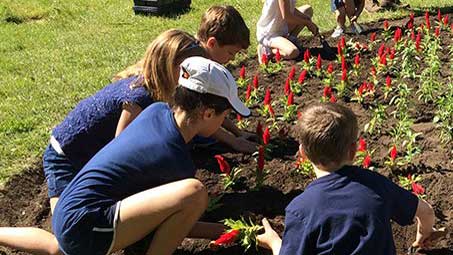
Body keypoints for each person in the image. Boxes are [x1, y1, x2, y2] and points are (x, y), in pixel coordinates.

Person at [41, 29, 205, 214]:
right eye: (190, 70)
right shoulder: (139, 99)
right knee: (64, 230)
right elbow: (122, 149)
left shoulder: (158, 86)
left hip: (93, 152)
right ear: (170, 66)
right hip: (66, 157)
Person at [257, 103, 439, 254]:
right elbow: (426, 212)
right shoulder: (376, 185)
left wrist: (274, 243)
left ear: (302, 153)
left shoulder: (301, 210)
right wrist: (424, 234)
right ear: (354, 151)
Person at [196, 5, 258, 153]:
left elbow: (214, 109)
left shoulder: (205, 58)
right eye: (231, 53)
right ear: (212, 43)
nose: (232, 59)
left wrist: (238, 132)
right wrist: (234, 142)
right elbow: (200, 119)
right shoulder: (198, 69)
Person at [256, 0, 320, 63]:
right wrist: (308, 23)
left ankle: (291, 39)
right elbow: (287, 17)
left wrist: (307, 19)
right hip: (269, 33)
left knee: (307, 10)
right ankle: (268, 50)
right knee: (293, 52)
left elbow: (290, 10)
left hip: (281, 26)